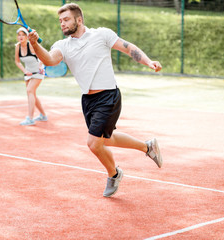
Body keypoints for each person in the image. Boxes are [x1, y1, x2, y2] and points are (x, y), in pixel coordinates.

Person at [28, 3, 163, 197]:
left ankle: (114, 174)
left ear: (79, 20)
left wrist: (148, 61)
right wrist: (34, 44)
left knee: (93, 143)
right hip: (88, 100)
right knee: (105, 139)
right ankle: (147, 146)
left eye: (66, 20)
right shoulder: (63, 45)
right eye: (60, 21)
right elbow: (49, 59)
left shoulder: (101, 35)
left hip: (108, 95)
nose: (62, 24)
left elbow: (128, 47)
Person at [15, 27, 47, 126]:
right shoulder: (17, 47)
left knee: (30, 91)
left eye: (23, 34)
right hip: (28, 73)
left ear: (27, 36)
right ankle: (43, 115)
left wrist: (41, 65)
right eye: (19, 35)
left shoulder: (32, 45)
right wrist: (25, 71)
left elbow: (43, 55)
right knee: (31, 93)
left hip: (38, 71)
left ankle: (30, 118)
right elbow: (17, 61)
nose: (21, 37)